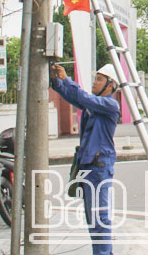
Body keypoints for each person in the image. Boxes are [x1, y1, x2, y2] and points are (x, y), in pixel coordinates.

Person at [50, 63, 120, 255]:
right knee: (92, 218)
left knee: (100, 217)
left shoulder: (110, 105)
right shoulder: (93, 105)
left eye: (99, 79)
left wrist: (66, 79)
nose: (95, 83)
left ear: (110, 85)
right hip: (88, 166)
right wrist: (57, 82)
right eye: (95, 79)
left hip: (99, 167)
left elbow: (83, 97)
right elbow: (75, 97)